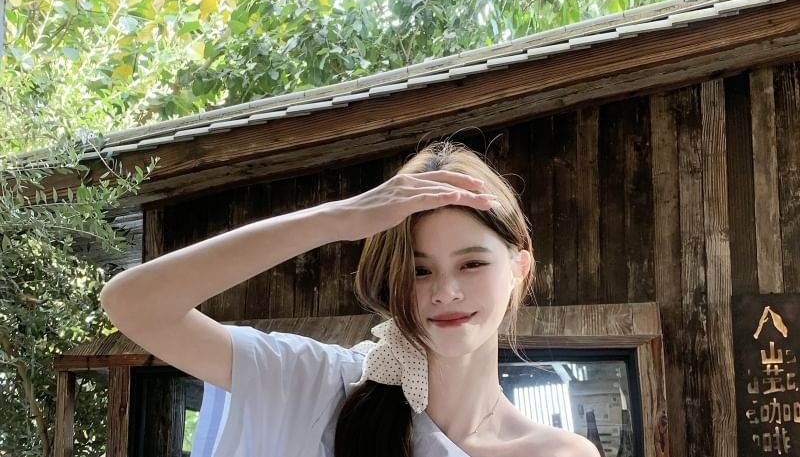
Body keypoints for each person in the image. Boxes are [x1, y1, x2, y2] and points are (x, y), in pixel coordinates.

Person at [100, 140, 601, 457]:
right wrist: (337, 219)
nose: (445, 292)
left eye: (472, 264)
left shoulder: (560, 453)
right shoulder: (319, 385)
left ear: (519, 268)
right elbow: (133, 304)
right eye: (419, 270)